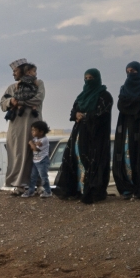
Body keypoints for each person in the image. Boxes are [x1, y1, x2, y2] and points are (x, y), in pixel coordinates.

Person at [55, 69, 113, 204]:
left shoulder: (105, 96)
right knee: (76, 158)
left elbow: (102, 115)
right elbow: (74, 110)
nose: (88, 81)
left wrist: (86, 116)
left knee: (91, 161)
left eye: (91, 78)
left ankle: (92, 191)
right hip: (79, 133)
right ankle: (77, 190)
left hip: (95, 137)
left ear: (97, 78)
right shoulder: (82, 96)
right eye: (86, 78)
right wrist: (76, 115)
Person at [112, 61, 140, 200]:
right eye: (128, 71)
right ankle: (127, 189)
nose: (130, 73)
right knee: (125, 157)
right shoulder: (124, 88)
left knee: (139, 156)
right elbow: (121, 105)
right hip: (126, 127)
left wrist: (134, 104)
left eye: (133, 71)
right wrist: (139, 100)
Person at [0, 60, 45, 194]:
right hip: (16, 128)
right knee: (18, 154)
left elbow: (38, 98)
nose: (13, 74)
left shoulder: (38, 84)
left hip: (34, 125)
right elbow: (3, 104)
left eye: (15, 71)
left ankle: (39, 185)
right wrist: (11, 101)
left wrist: (19, 101)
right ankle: (19, 185)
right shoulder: (12, 88)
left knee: (36, 153)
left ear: (23, 71)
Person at [22, 120, 52, 198]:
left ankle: (48, 191)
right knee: (33, 177)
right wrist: (33, 143)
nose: (32, 132)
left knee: (43, 177)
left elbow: (35, 149)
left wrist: (31, 143)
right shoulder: (36, 139)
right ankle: (31, 191)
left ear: (41, 132)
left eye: (34, 130)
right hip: (36, 161)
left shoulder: (44, 140)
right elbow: (34, 144)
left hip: (42, 161)